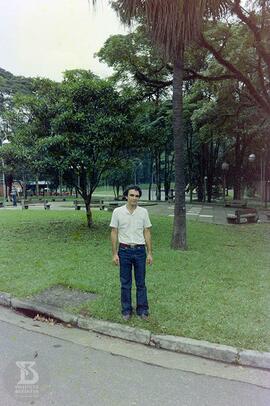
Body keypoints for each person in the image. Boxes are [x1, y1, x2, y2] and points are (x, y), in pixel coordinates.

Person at [110, 185, 153, 321]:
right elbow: (114, 232)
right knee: (125, 283)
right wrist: (114, 253)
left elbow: (147, 231)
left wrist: (149, 253)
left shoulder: (143, 212)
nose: (134, 198)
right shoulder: (117, 212)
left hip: (140, 251)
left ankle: (142, 310)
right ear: (126, 196)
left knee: (141, 283)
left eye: (136, 196)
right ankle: (126, 310)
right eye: (131, 195)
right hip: (124, 251)